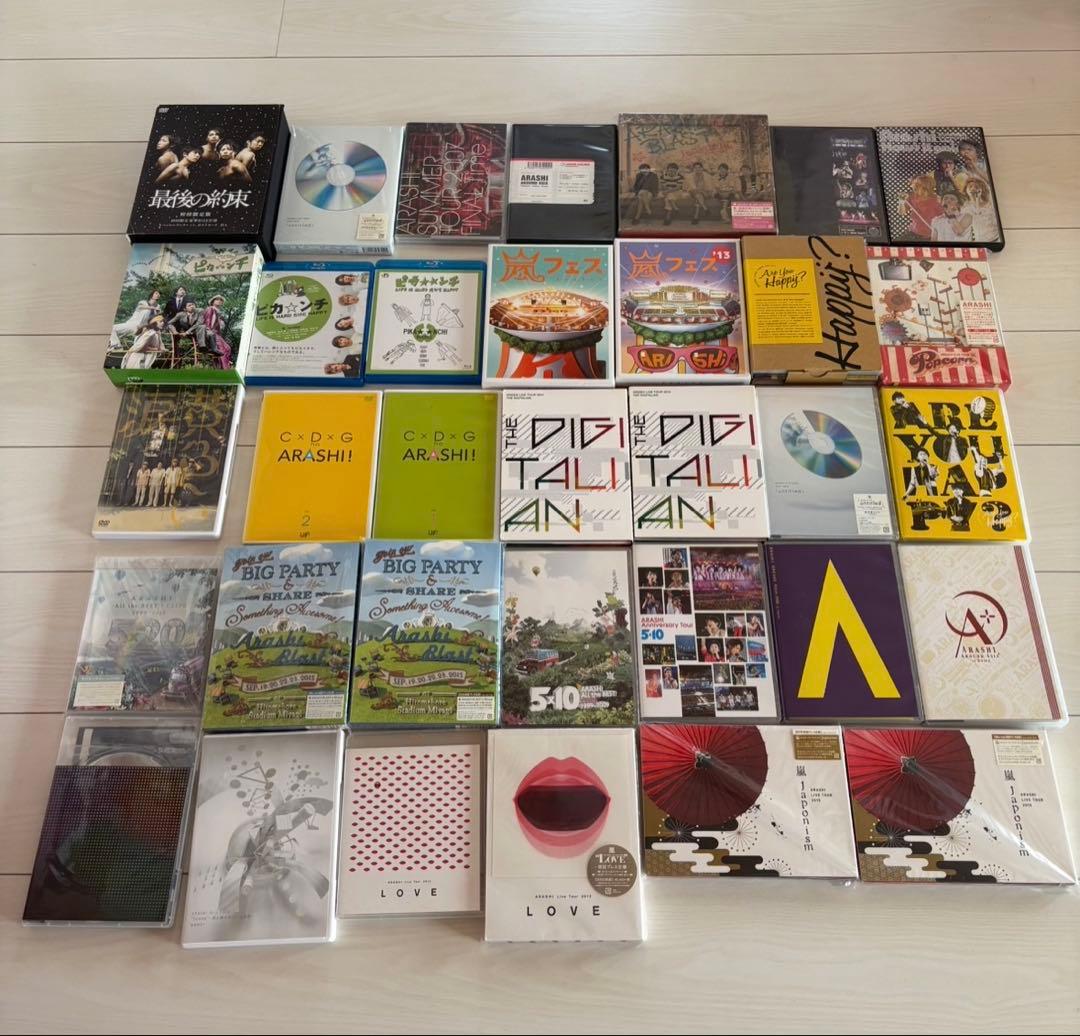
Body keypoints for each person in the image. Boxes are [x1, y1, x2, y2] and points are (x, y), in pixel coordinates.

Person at [898, 175, 942, 239]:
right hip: (913, 232)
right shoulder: (912, 197)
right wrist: (901, 202)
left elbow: (943, 219)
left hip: (929, 235)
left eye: (917, 185)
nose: (913, 186)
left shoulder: (937, 200)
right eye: (915, 185)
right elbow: (901, 213)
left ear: (926, 187)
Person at [196, 296, 232, 369]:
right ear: (212, 301)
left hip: (217, 333)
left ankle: (221, 367)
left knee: (226, 349)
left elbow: (219, 326)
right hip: (211, 333)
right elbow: (208, 322)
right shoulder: (210, 309)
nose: (219, 301)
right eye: (217, 299)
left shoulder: (218, 312)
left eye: (221, 300)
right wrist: (210, 332)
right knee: (224, 349)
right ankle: (225, 368)